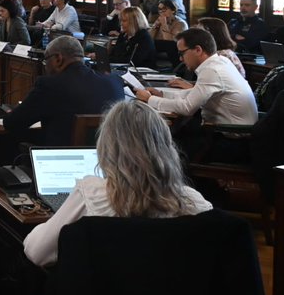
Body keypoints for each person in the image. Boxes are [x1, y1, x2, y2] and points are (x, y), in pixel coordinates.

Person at [22, 100, 212, 267]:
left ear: (106, 147)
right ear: (167, 146)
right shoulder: (195, 204)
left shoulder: (91, 195)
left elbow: (37, 253)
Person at [135, 28, 258, 147]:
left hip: (231, 140)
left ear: (198, 50)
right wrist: (161, 94)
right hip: (227, 132)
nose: (180, 58)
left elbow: (187, 108)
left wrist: (150, 100)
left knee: (159, 141)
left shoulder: (212, 70)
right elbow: (195, 93)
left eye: (182, 53)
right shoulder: (219, 62)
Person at [5, 36, 124, 146]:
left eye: (46, 60)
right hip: (106, 163)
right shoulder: (114, 83)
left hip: (60, 162)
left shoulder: (50, 85)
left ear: (58, 58)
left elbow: (12, 123)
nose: (45, 66)